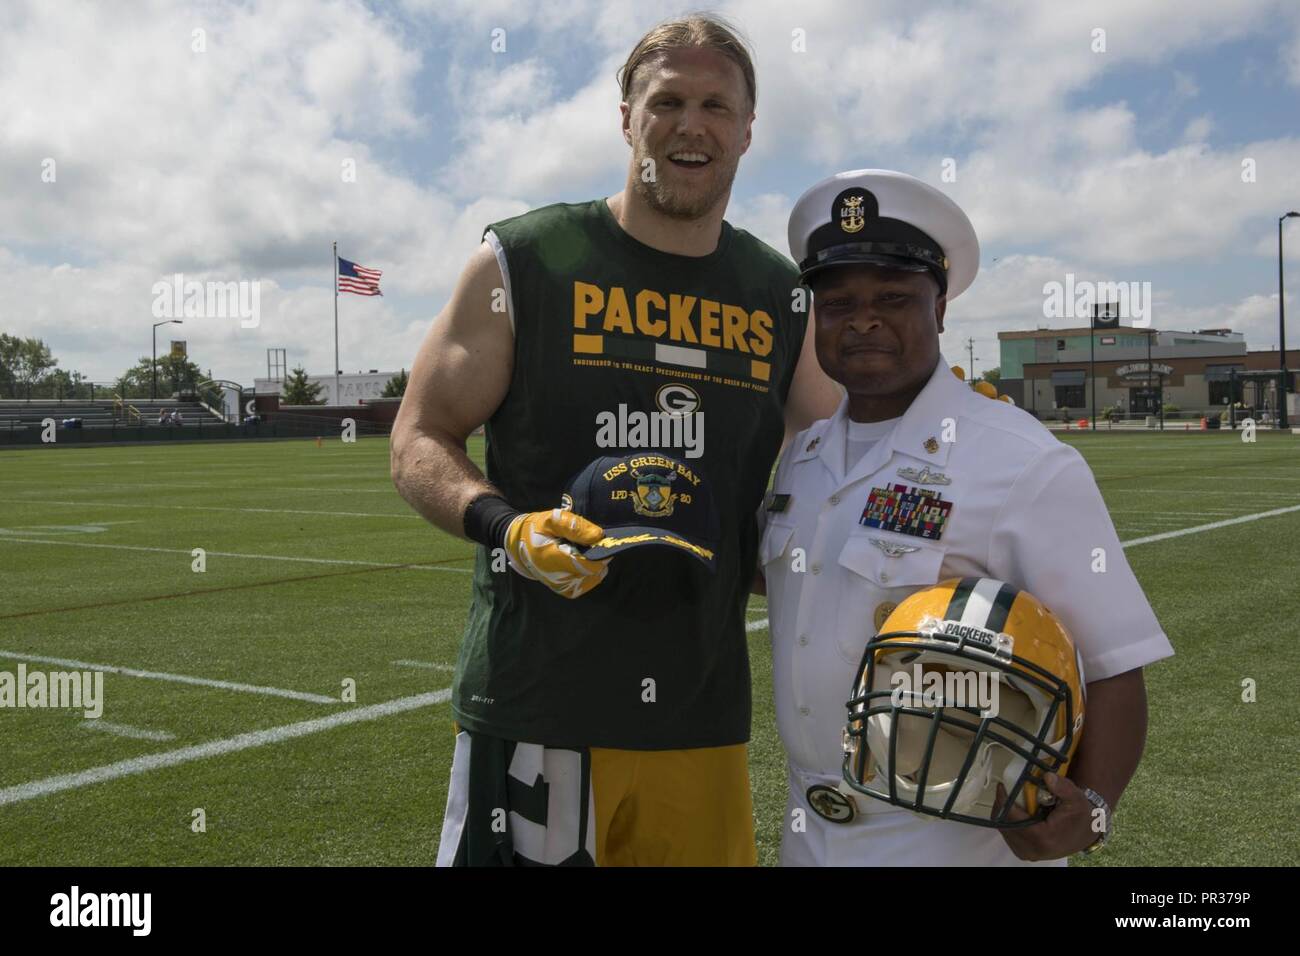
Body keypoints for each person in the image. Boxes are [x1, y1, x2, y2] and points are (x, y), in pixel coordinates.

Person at [390, 14, 840, 867]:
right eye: (666, 100)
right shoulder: (523, 261)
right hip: (540, 706)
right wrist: (505, 528)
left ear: (748, 130)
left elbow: (838, 456)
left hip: (701, 713)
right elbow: (419, 436)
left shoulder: (781, 296)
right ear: (625, 117)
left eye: (716, 104)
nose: (690, 124)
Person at [759, 169, 1174, 866]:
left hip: (955, 844)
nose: (863, 320)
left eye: (893, 298)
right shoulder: (802, 457)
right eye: (837, 303)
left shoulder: (1021, 462)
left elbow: (1113, 665)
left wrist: (1094, 809)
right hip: (809, 831)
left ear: (941, 306)